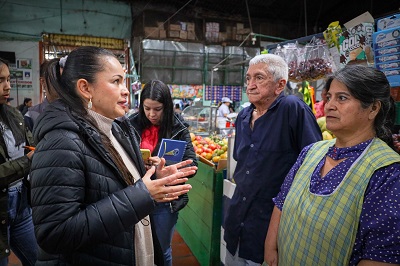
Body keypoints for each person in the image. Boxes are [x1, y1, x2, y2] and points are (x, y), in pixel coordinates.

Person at [29, 46, 197, 265]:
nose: (126, 90)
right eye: (116, 81)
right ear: (85, 88)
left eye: (124, 81)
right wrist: (142, 195)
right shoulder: (61, 142)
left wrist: (155, 176)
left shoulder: (115, 129)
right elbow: (55, 233)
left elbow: (113, 186)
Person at [264, 65, 400, 266]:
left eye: (342, 98)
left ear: (373, 108)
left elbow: (380, 254)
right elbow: (282, 202)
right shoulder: (311, 152)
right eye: (329, 97)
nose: (329, 106)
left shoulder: (387, 171)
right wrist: (270, 250)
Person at [223, 54, 322, 265]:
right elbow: (241, 163)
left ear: (280, 85)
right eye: (248, 78)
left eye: (259, 78)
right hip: (237, 221)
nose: (250, 85)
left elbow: (315, 164)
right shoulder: (242, 117)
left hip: (269, 227)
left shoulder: (292, 109)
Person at [129, 79, 197, 266]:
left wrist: (168, 169)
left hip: (165, 200)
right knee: (136, 247)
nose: (151, 114)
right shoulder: (129, 125)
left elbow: (193, 164)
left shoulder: (178, 128)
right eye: (147, 108)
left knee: (162, 248)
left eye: (157, 109)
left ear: (166, 106)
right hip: (135, 195)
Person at [0, 58, 38, 265]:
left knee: (38, 259)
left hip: (21, 205)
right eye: (0, 80)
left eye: (8, 79)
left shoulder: (14, 115)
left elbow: (30, 145)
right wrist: (27, 161)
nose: (8, 86)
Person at [24, 58, 60, 131]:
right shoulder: (31, 115)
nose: (62, 83)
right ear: (43, 82)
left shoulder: (75, 112)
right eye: (56, 77)